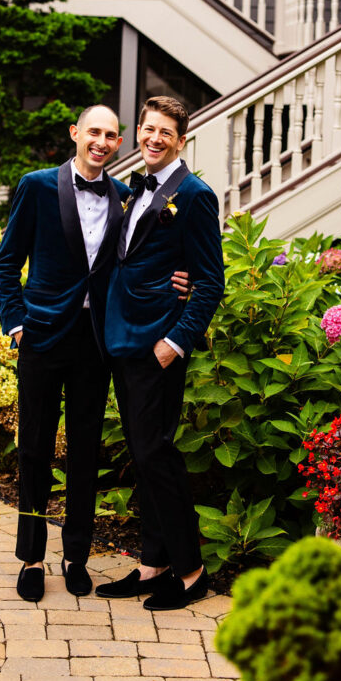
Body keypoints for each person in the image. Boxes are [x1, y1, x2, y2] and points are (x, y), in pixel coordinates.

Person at [0, 104, 188, 603]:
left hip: (96, 341)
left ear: (119, 143)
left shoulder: (126, 196)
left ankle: (75, 555)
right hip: (41, 334)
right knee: (35, 447)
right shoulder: (36, 185)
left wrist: (177, 283)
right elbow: (8, 261)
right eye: (93, 132)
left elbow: (143, 256)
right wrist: (15, 322)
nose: (101, 141)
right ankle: (32, 558)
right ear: (75, 133)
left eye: (111, 135)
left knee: (84, 451)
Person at [97, 95, 225, 611]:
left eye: (164, 133)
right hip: (123, 340)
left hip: (158, 347)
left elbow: (211, 282)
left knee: (157, 453)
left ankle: (192, 571)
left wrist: (174, 344)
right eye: (148, 129)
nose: (153, 139)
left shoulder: (194, 195)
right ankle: (153, 564)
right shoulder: (134, 186)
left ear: (181, 141)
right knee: (143, 456)